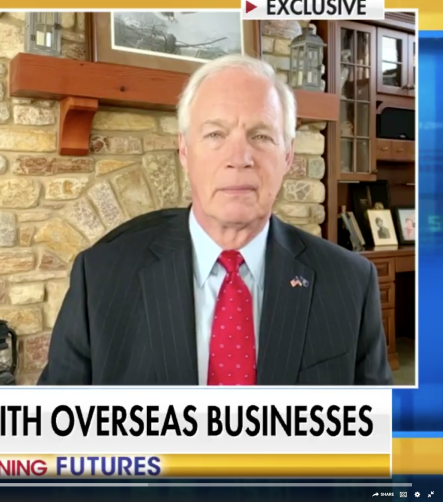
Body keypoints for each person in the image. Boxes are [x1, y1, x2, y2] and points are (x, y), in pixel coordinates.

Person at [38, 54, 392, 386]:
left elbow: (378, 436)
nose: (239, 158)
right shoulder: (100, 277)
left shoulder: (350, 282)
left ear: (288, 155)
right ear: (184, 151)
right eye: (215, 134)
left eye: (261, 135)